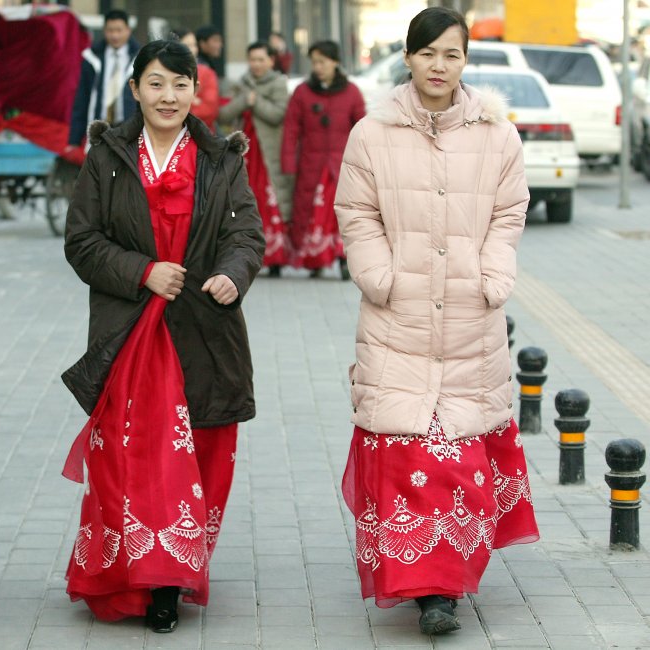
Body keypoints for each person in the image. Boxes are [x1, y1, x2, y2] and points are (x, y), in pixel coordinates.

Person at [334, 7, 539, 635]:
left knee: (457, 458)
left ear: (465, 60)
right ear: (409, 57)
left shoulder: (498, 136)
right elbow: (357, 212)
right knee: (407, 455)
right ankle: (428, 589)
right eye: (428, 54)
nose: (439, 66)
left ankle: (446, 582)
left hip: (470, 319)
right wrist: (378, 274)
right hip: (399, 317)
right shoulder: (372, 133)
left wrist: (493, 273)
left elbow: (509, 212)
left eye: (451, 54)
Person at [60, 39, 264, 633]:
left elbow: (246, 233)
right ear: (135, 90)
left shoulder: (222, 158)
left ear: (196, 91)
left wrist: (233, 273)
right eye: (155, 83)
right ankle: (145, 577)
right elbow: (82, 241)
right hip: (130, 329)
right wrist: (142, 272)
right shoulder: (107, 156)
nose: (168, 96)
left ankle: (173, 572)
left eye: (180, 84)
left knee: (198, 453)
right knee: (133, 455)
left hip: (201, 328)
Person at [282, 40, 365, 278]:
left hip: (341, 167)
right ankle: (315, 260)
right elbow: (291, 129)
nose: (318, 67)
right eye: (314, 62)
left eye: (323, 61)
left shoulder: (351, 92)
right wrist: (288, 163)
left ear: (335, 62)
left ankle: (343, 259)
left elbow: (363, 128)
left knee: (340, 214)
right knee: (309, 214)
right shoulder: (302, 92)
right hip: (311, 164)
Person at [218, 41, 292, 274]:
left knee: (271, 203)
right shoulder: (240, 85)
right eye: (253, 60)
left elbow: (278, 114)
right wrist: (244, 100)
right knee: (245, 201)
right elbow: (224, 114)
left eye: (261, 59)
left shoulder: (279, 84)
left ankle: (275, 259)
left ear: (271, 60)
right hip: (246, 153)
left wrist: (255, 101)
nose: (257, 64)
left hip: (268, 154)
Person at [68, 9, 141, 147]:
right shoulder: (91, 58)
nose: (115, 35)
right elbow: (82, 98)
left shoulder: (140, 58)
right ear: (104, 31)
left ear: (128, 30)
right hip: (100, 129)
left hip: (129, 129)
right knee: (99, 166)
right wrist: (74, 140)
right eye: (110, 30)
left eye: (119, 30)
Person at [172, 28, 219, 131]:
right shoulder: (166, 74)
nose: (193, 49)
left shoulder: (207, 73)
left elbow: (210, 111)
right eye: (187, 45)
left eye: (194, 45)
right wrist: (193, 101)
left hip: (201, 135)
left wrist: (181, 102)